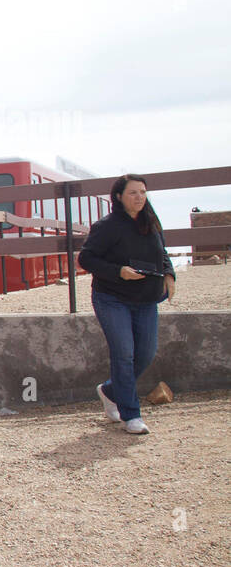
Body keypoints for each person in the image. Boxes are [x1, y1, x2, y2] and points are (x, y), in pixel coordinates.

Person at [77, 174, 176, 435]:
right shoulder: (107, 226)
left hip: (145, 299)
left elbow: (162, 253)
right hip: (111, 298)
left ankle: (110, 391)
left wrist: (169, 274)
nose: (139, 197)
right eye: (133, 192)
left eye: (143, 192)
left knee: (145, 353)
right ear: (119, 197)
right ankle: (130, 415)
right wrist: (119, 271)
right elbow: (86, 259)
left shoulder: (150, 222)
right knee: (124, 353)